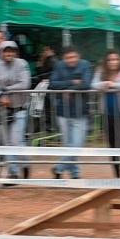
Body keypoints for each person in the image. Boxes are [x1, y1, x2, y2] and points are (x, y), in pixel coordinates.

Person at [0, 41, 31, 179]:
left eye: (11, 51)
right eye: (6, 51)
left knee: (16, 140)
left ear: (15, 52)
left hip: (19, 109)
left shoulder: (22, 64)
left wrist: (6, 91)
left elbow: (25, 83)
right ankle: (13, 172)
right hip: (2, 111)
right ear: (1, 53)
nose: (9, 54)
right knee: (6, 143)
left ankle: (25, 164)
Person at [91, 50, 120, 178]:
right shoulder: (101, 71)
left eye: (116, 59)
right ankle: (117, 176)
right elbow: (93, 85)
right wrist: (104, 84)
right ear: (106, 61)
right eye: (110, 60)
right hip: (107, 115)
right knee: (112, 146)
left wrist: (114, 85)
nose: (113, 62)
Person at [49, 47, 92, 179]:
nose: (71, 60)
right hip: (63, 111)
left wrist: (70, 90)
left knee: (77, 144)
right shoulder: (59, 66)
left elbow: (86, 84)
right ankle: (74, 174)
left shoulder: (85, 65)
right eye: (68, 58)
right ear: (63, 58)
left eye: (73, 57)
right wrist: (72, 82)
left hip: (80, 112)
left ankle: (58, 167)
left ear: (78, 56)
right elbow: (52, 84)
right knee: (68, 145)